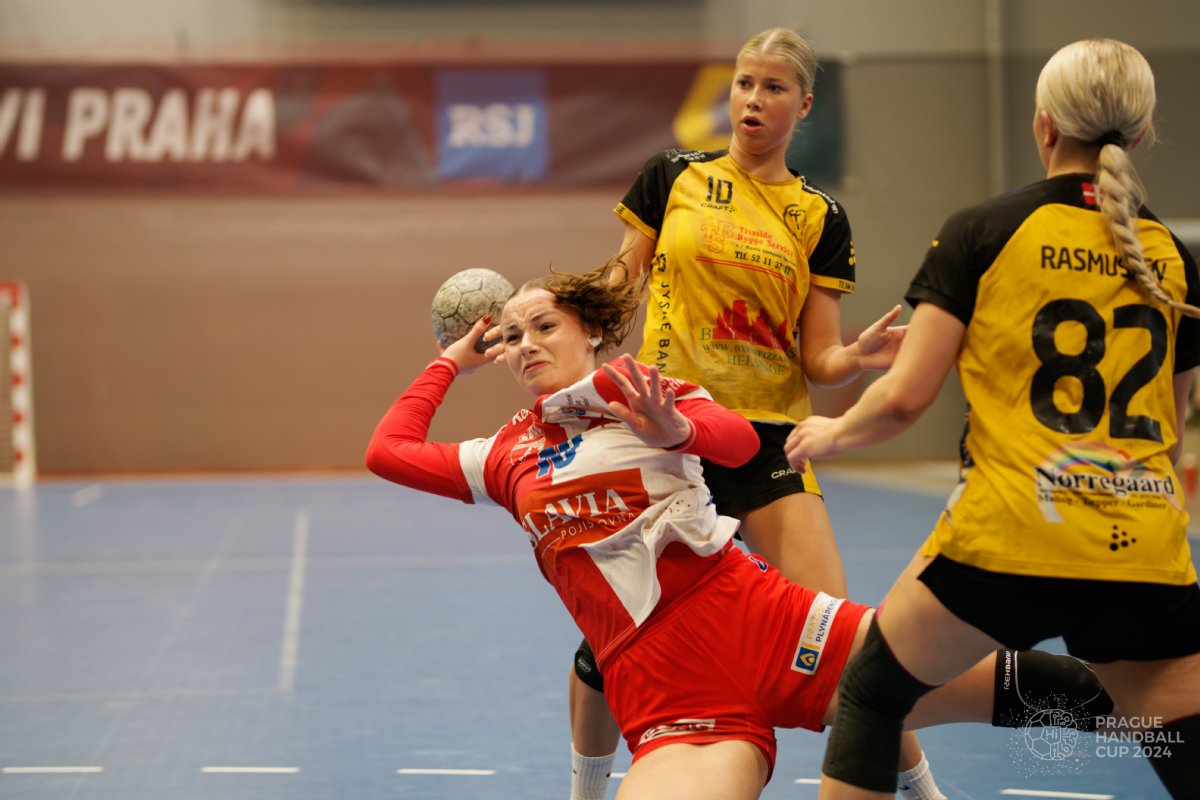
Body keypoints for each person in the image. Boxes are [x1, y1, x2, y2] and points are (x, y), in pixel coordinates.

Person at [366, 263, 1114, 800]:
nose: (526, 343)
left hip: (775, 628)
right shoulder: (504, 455)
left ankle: (1165, 724)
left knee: (1057, 690)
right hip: (673, 703)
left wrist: (676, 429)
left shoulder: (645, 392)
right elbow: (388, 451)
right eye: (512, 335)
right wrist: (449, 362)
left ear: (590, 330)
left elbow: (739, 442)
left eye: (544, 326)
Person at [782, 38, 1200, 798]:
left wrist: (832, 433)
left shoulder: (985, 231)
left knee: (872, 692)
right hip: (1141, 545)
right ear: (1140, 134)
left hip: (1013, 535)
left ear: (1045, 125)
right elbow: (1170, 430)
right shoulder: (1171, 255)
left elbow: (905, 397)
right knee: (1179, 735)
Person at [567, 26, 926, 800]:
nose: (753, 100)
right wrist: (554, 321)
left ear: (804, 105)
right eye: (743, 83)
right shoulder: (673, 177)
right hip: (666, 439)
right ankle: (585, 791)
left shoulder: (820, 216)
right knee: (605, 650)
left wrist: (855, 359)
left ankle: (925, 793)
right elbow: (617, 288)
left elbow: (818, 358)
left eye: (772, 88)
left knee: (849, 642)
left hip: (768, 444)